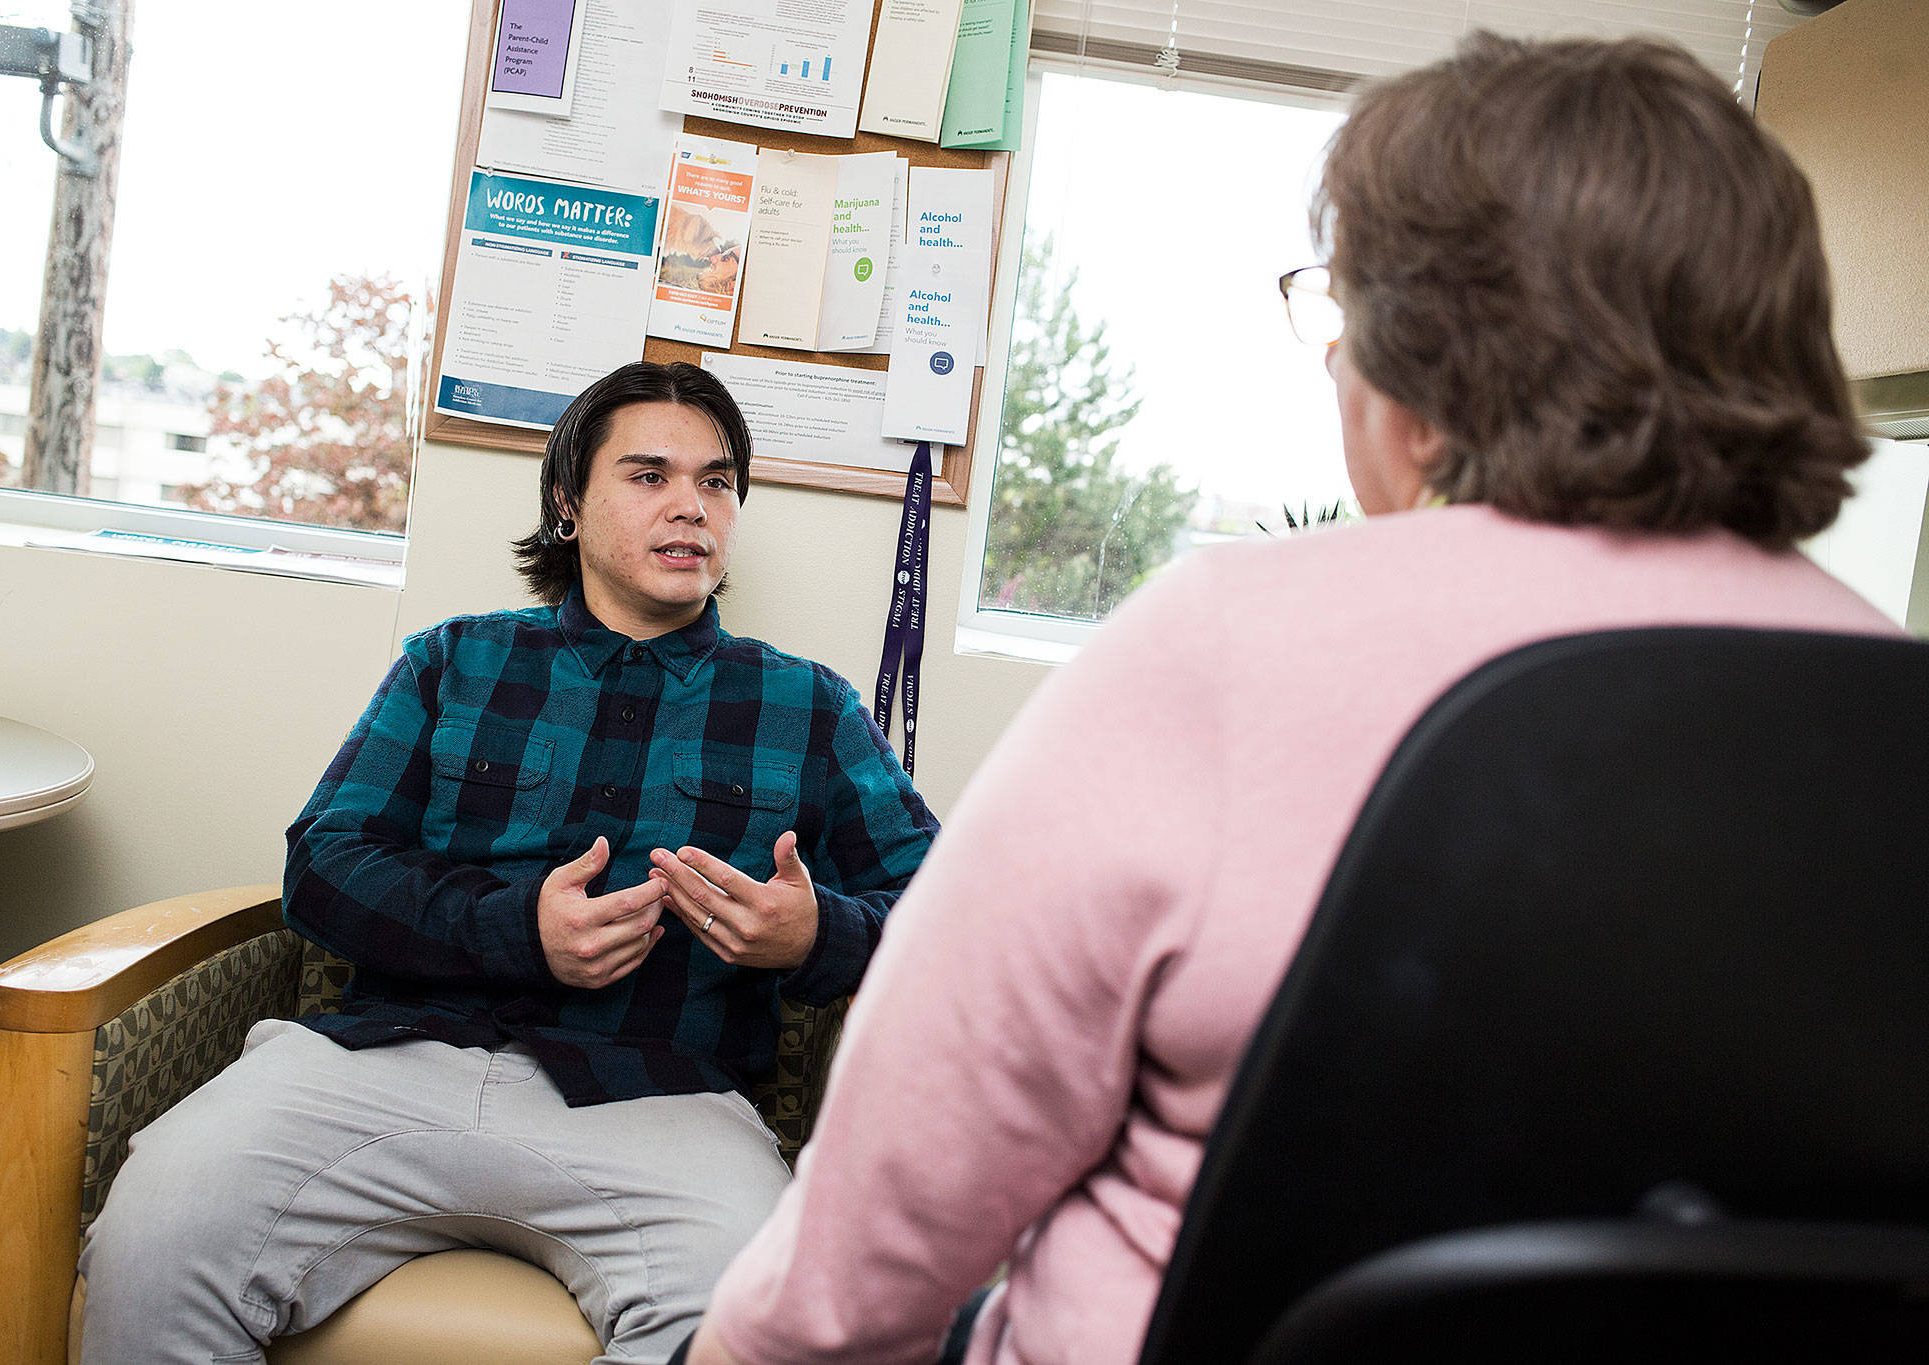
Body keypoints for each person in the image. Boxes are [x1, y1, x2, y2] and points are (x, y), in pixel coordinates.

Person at [678, 33, 1899, 1365]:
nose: (1335, 366)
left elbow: (861, 1268)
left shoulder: (1225, 645)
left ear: (1426, 364)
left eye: (1346, 312)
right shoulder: (1889, 703)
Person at [78, 361, 939, 1363]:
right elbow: (323, 866)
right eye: (649, 475)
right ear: (568, 506)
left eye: (715, 482)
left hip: (658, 1100)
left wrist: (814, 934)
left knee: (744, 1318)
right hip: (384, 1064)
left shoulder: (809, 706)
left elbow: (947, 919)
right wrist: (513, 926)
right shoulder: (453, 662)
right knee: (155, 1241)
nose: (690, 507)